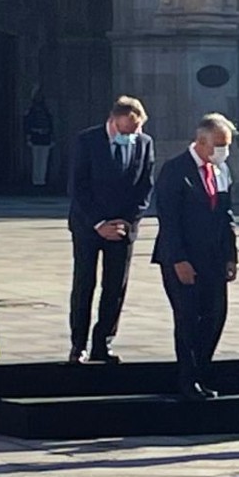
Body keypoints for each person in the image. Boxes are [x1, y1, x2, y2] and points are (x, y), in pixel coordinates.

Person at [151, 114, 239, 401]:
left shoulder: (221, 170)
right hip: (183, 259)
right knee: (188, 318)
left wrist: (231, 256)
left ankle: (201, 371)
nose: (223, 151)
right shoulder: (176, 170)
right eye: (219, 144)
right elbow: (169, 219)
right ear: (202, 142)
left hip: (214, 258)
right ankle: (188, 381)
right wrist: (178, 259)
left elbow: (227, 216)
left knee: (216, 316)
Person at [66, 96, 154, 364]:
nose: (134, 134)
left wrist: (128, 220)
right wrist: (99, 224)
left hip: (123, 228)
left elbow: (145, 186)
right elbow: (78, 187)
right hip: (89, 226)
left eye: (137, 129)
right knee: (85, 284)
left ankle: (103, 342)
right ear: (114, 120)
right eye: (129, 128)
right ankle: (78, 344)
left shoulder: (144, 143)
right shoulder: (88, 141)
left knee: (115, 287)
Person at [25, 92, 54, 187]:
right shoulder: (32, 112)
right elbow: (28, 126)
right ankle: (37, 180)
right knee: (38, 160)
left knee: (41, 161)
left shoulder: (45, 112)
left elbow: (51, 126)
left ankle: (40, 180)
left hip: (43, 138)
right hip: (37, 138)